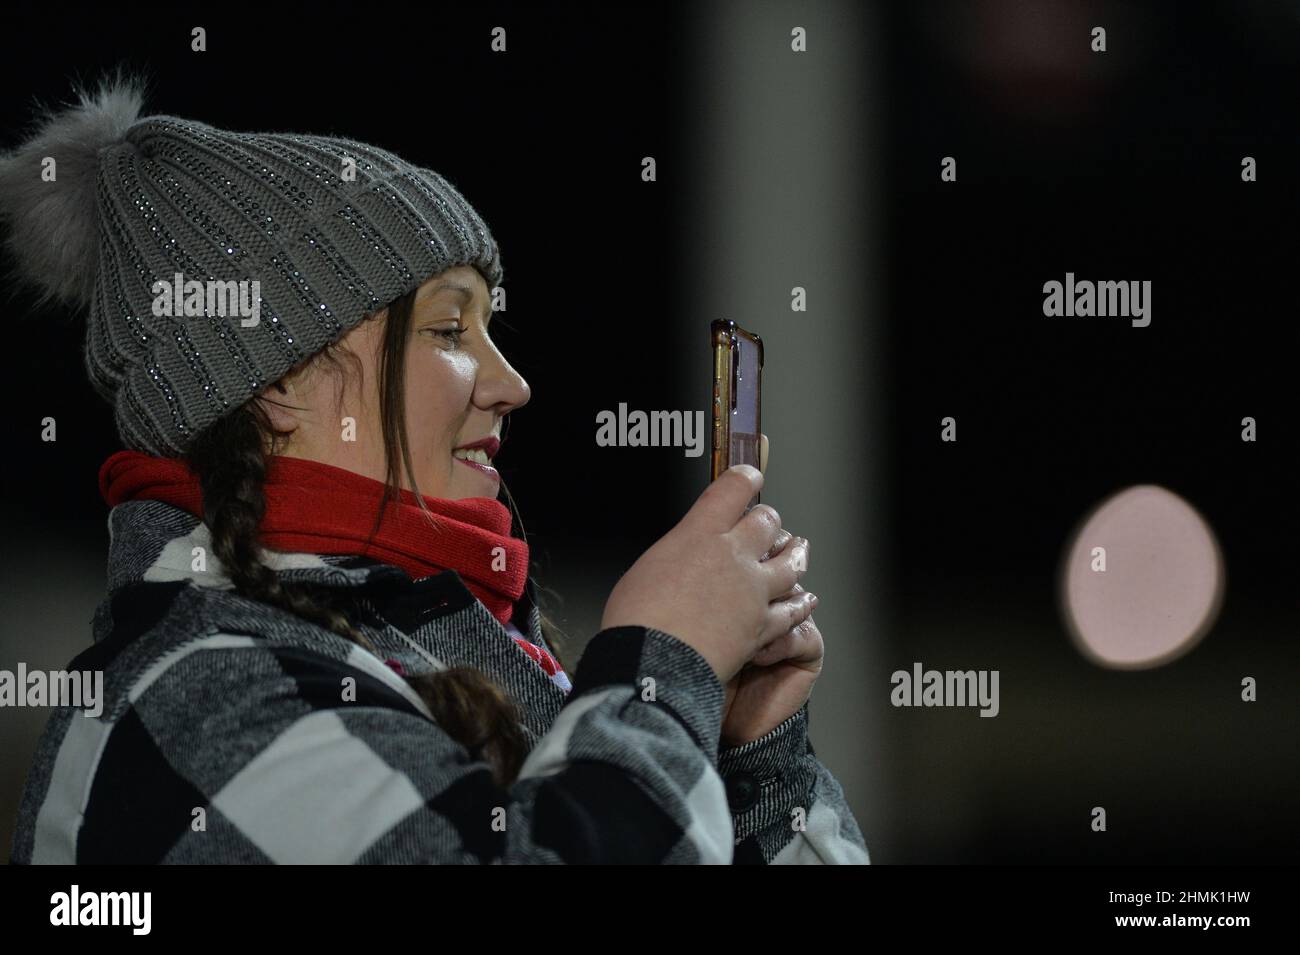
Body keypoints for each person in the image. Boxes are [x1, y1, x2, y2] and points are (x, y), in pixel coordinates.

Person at [2, 75, 870, 864]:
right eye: (449, 331)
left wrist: (752, 760)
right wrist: (660, 660)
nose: (512, 385)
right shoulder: (203, 694)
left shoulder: (445, 654)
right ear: (274, 385)